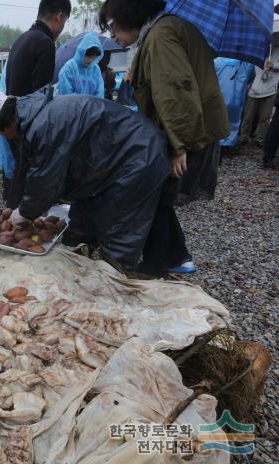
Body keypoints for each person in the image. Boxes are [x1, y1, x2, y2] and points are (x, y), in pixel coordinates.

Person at [0, 89, 170, 272]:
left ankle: (113, 286)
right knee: (82, 221)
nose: (1, 137)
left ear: (2, 127)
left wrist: (24, 211)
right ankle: (81, 258)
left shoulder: (43, 126)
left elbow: (45, 181)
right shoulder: (33, 114)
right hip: (110, 161)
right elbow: (40, 172)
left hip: (137, 156)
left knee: (119, 232)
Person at [99, 0, 229, 275]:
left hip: (187, 132)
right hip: (185, 130)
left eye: (113, 27)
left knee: (153, 194)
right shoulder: (158, 33)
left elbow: (175, 94)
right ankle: (178, 256)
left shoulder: (160, 36)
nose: (113, 35)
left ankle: (157, 264)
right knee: (160, 197)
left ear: (128, 14)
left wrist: (177, 147)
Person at [3, 0, 71, 209]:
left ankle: (13, 216)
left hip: (13, 120)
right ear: (59, 16)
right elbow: (40, 96)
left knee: (20, 173)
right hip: (29, 124)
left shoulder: (22, 39)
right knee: (31, 177)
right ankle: (21, 220)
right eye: (65, 21)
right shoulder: (44, 42)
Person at [238, 53, 279, 147]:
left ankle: (260, 138)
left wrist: (274, 65)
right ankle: (243, 136)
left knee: (265, 117)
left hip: (270, 90)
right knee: (247, 116)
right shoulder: (259, 50)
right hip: (254, 89)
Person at [56, 32, 105, 98]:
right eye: (88, 55)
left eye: (93, 57)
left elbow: (100, 93)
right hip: (69, 107)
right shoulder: (69, 67)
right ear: (82, 52)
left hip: (91, 107)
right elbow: (66, 97)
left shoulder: (95, 69)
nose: (90, 60)